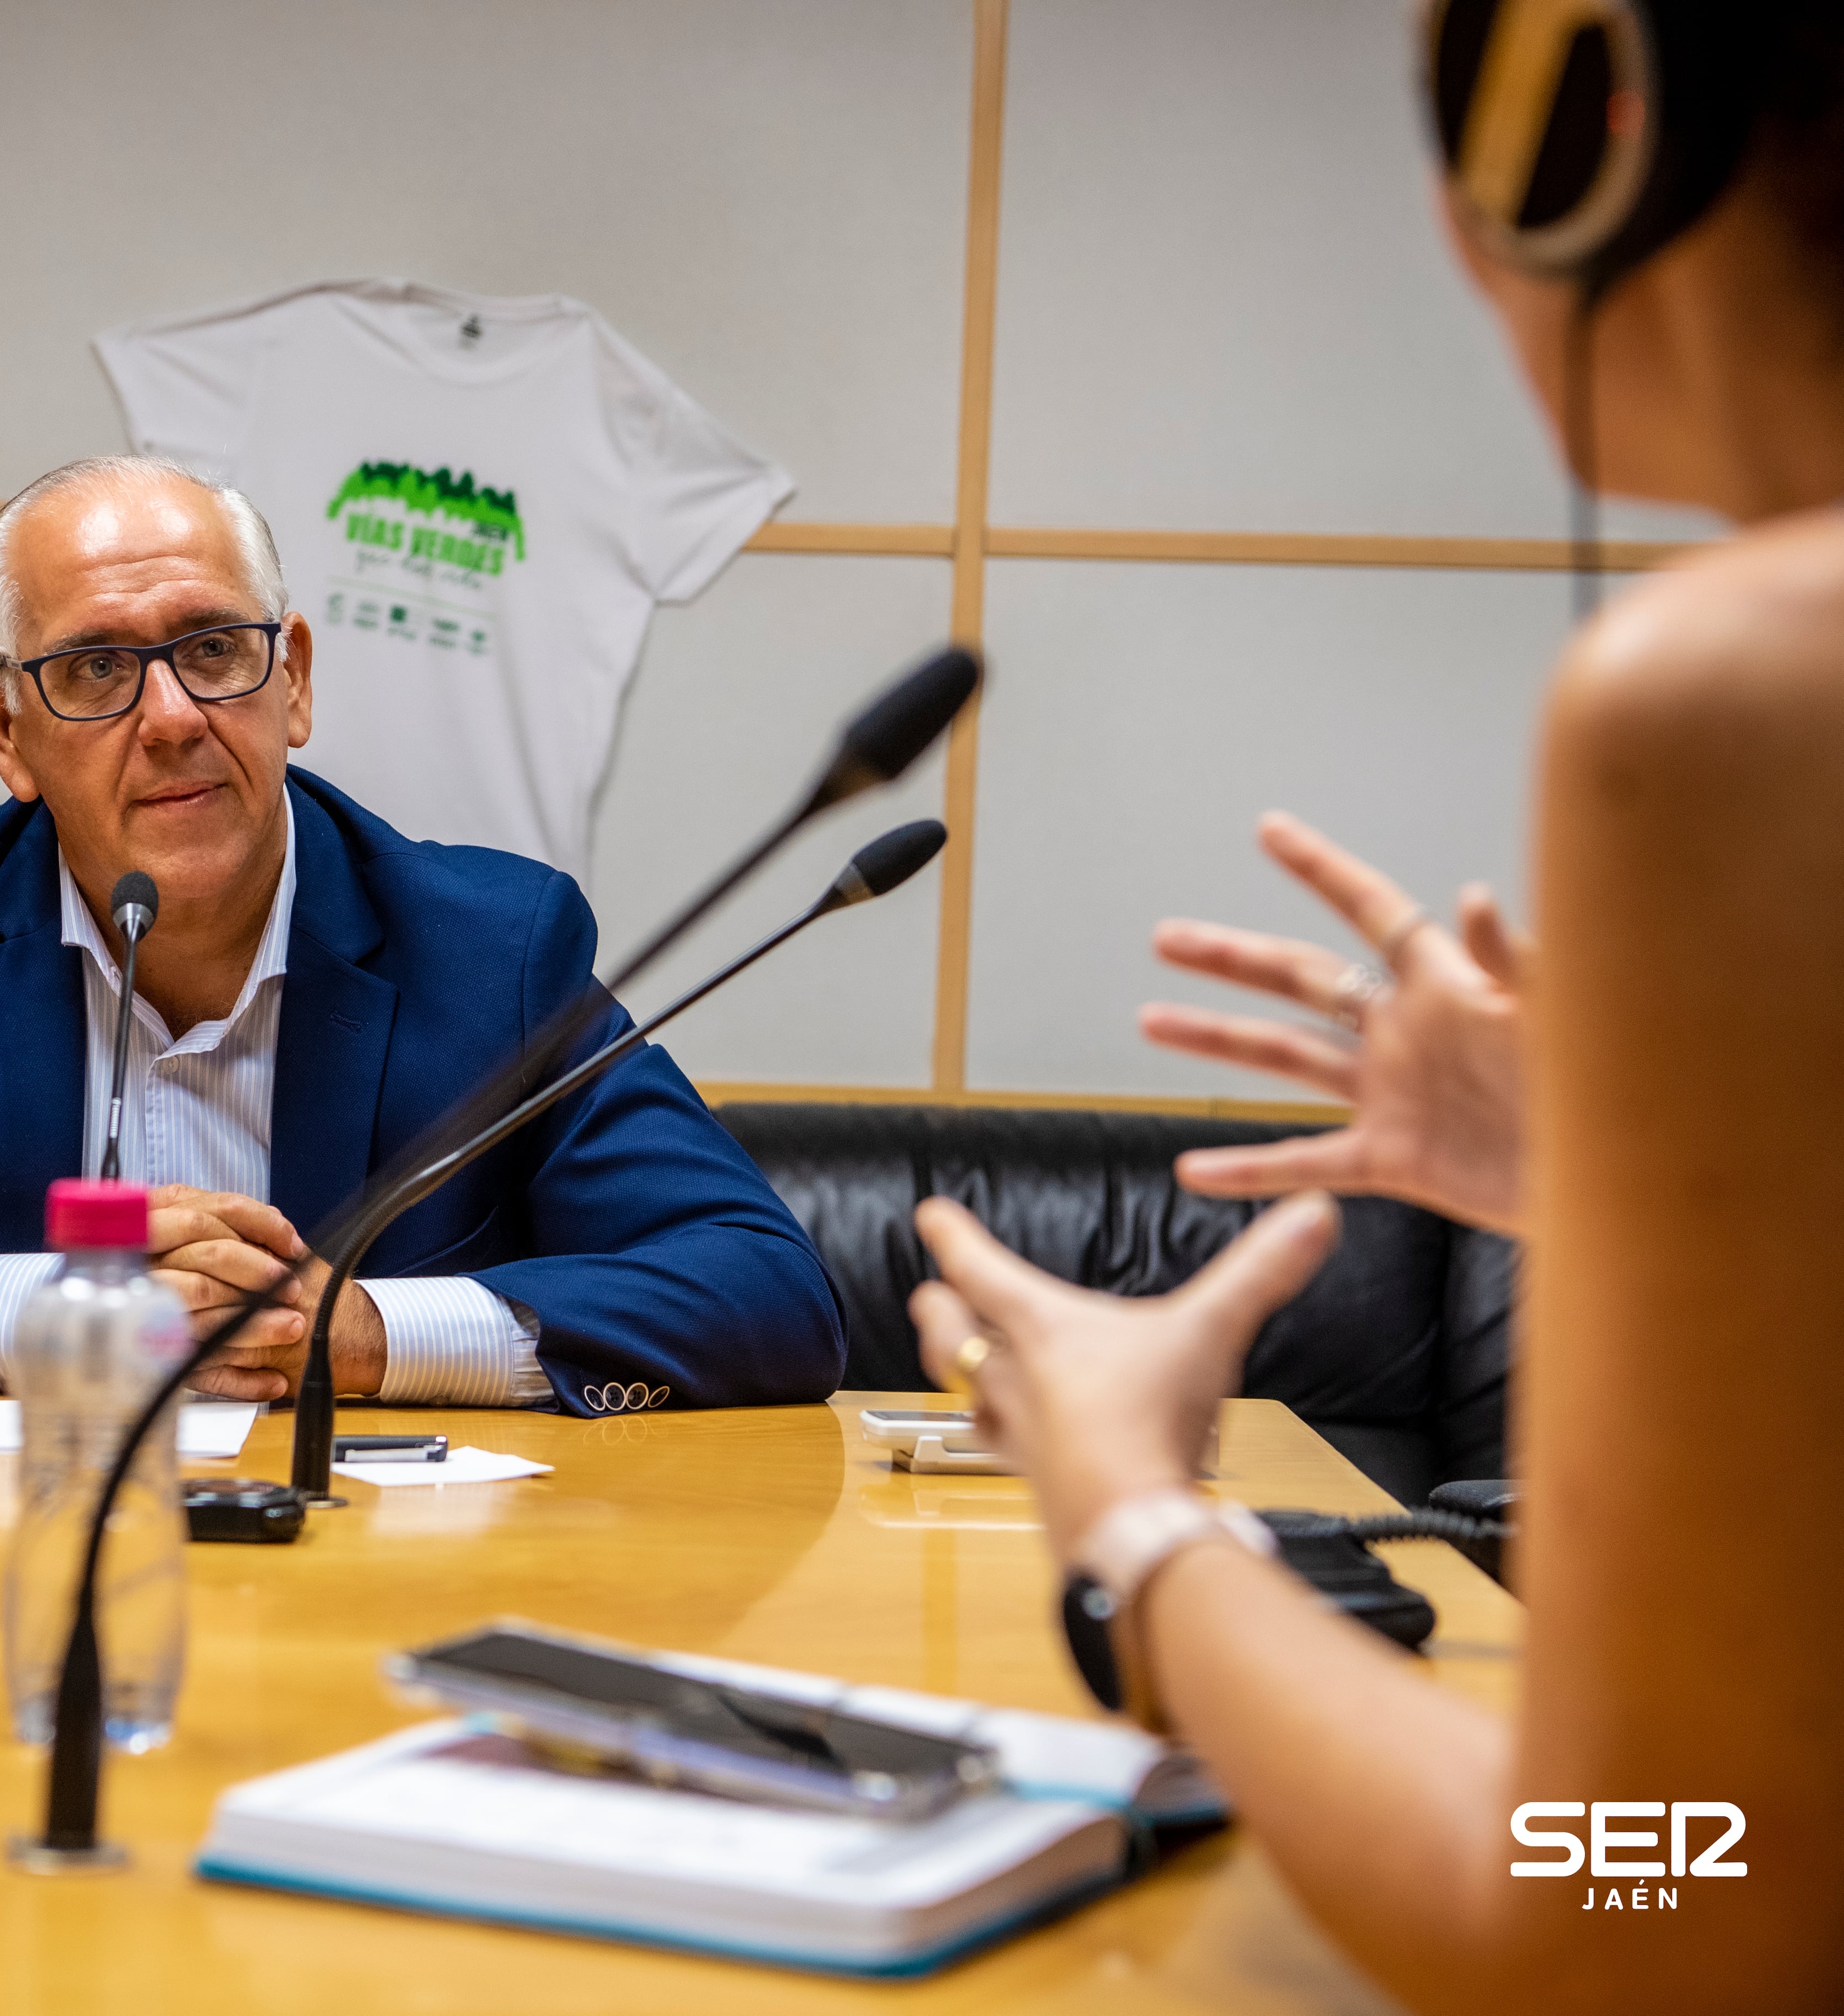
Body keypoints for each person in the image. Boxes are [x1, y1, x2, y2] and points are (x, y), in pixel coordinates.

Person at [910, 8, 1844, 2008]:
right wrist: (1614, 1188)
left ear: (1596, 144)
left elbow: (1654, 1902)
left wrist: (1136, 1512)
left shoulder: (1749, 689)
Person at [0, 456, 842, 1411]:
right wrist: (44, 1317)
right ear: (5, 729)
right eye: (97, 668)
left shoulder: (490, 952)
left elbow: (764, 1293)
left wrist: (366, 1332)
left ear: (294, 683)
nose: (171, 719)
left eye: (215, 649)